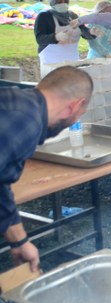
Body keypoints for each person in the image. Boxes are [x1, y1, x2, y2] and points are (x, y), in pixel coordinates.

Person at [1, 66, 94, 272]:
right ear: (74, 106)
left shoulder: (19, 105)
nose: (75, 121)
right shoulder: (25, 121)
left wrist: (19, 242)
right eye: (80, 114)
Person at [34, 0, 94, 76]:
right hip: (51, 58)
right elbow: (40, 39)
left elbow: (83, 32)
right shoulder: (44, 16)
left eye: (65, 1)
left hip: (72, 57)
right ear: (52, 3)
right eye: (59, 1)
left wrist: (92, 33)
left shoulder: (73, 16)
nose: (63, 3)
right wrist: (55, 37)